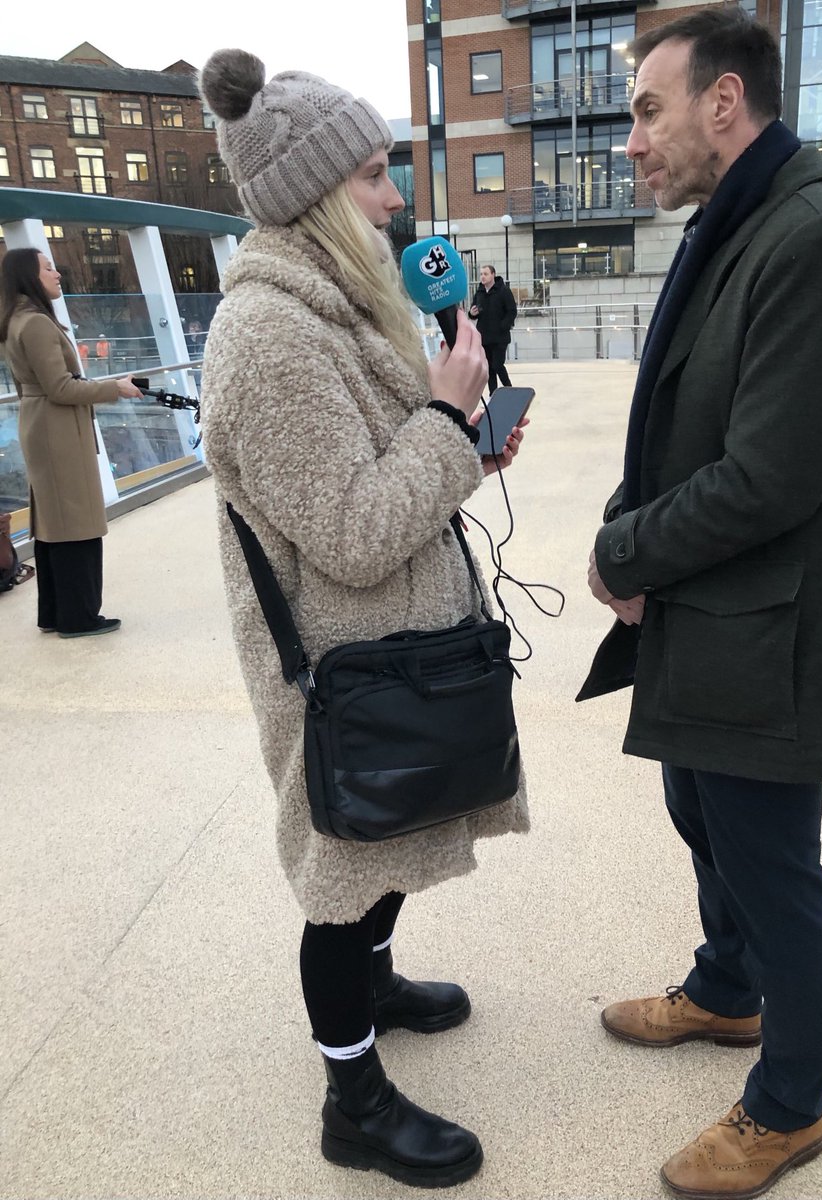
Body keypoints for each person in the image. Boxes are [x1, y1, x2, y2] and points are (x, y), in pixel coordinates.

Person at [578, 9, 822, 1200]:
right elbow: (683, 422)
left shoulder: (818, 238)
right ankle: (725, 992)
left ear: (723, 102)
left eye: (645, 111)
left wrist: (626, 552)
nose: (630, 142)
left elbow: (770, 477)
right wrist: (631, 526)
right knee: (700, 813)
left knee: (770, 864)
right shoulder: (741, 224)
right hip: (717, 615)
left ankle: (787, 1106)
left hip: (776, 633)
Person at [198, 49, 529, 1190]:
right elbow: (349, 528)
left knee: (384, 846)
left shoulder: (333, 308)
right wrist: (443, 420)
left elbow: (390, 472)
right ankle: (354, 1099)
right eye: (375, 173)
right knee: (341, 877)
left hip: (386, 651)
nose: (395, 197)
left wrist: (465, 441)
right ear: (317, 193)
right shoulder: (271, 336)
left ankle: (377, 990)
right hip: (339, 674)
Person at [0, 249, 142, 637]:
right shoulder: (37, 324)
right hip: (58, 429)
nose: (57, 273)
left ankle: (55, 613)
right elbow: (61, 388)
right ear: (29, 276)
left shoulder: (16, 320)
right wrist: (115, 388)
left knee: (54, 522)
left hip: (42, 424)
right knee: (75, 520)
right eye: (48, 268)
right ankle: (78, 617)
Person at [468, 264, 517, 395]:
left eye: (486, 274)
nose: (482, 277)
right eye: (481, 274)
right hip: (484, 337)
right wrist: (472, 313)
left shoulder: (504, 291)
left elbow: (512, 311)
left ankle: (509, 390)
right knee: (489, 368)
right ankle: (493, 394)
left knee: (497, 365)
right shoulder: (479, 292)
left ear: (493, 275)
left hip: (500, 337)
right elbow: (474, 311)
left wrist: (503, 326)